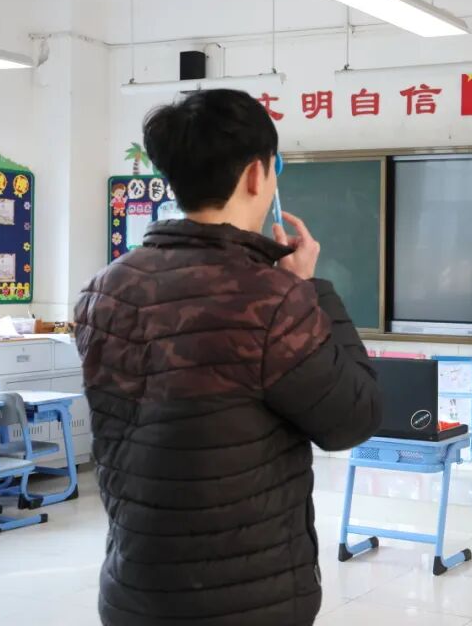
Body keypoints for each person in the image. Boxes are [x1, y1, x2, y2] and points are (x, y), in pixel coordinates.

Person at [74, 89, 382, 626]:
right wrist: (311, 290)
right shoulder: (272, 299)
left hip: (133, 587)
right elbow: (354, 418)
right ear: (258, 175)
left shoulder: (103, 290)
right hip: (249, 600)